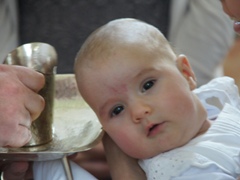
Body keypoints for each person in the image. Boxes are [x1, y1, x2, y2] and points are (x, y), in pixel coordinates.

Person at [73, 18, 239, 179]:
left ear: (186, 73)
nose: (138, 111)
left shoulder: (219, 101)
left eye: (148, 85)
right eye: (117, 110)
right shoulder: (179, 170)